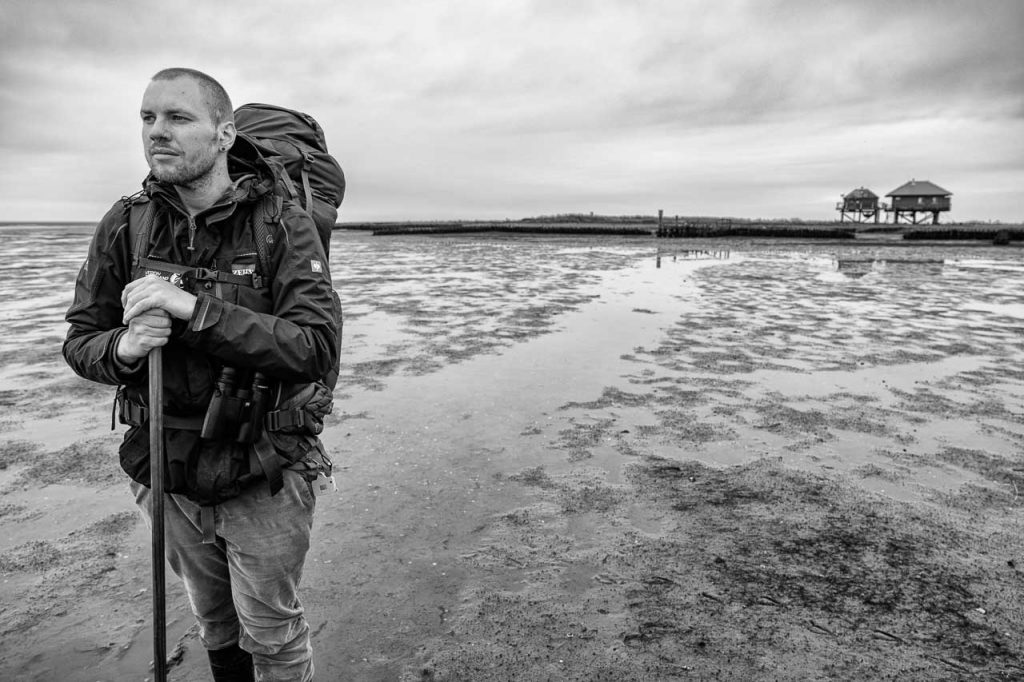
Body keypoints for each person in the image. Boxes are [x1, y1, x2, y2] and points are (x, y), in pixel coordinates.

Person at [63, 67, 339, 682]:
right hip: (164, 466)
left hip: (265, 466)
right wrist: (126, 348)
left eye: (178, 118)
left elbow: (314, 346)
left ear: (223, 134)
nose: (158, 132)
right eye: (147, 118)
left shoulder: (281, 224)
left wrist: (197, 312)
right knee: (215, 622)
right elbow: (81, 341)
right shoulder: (126, 223)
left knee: (272, 631)